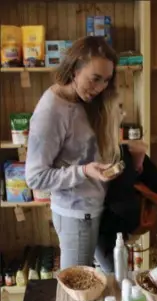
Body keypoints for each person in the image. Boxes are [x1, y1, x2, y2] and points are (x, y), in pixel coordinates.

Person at [25, 36, 126, 269]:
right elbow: (35, 177)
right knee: (77, 292)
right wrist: (84, 172)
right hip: (76, 216)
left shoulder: (86, 101)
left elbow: (86, 150)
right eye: (95, 79)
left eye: (106, 81)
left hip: (98, 208)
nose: (100, 88)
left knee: (114, 278)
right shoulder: (50, 111)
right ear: (74, 69)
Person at [95, 141, 157, 272]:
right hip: (111, 227)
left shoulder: (120, 153)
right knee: (115, 273)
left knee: (116, 274)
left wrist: (138, 165)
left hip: (113, 225)